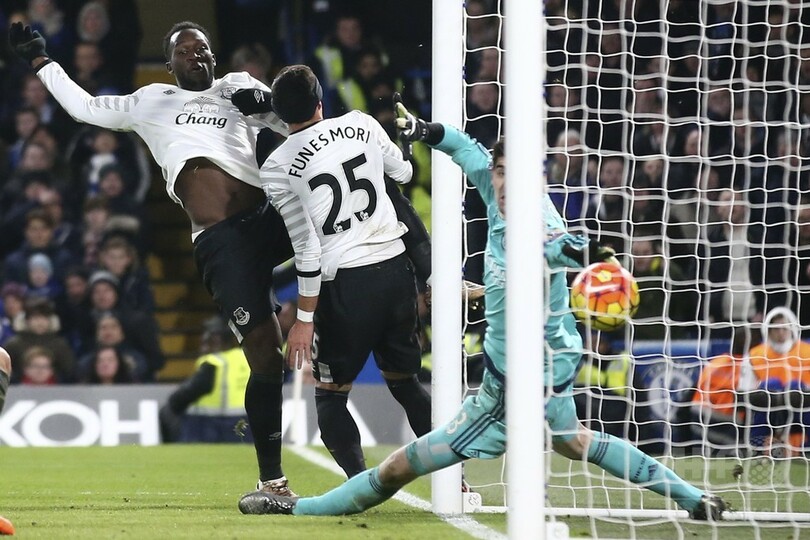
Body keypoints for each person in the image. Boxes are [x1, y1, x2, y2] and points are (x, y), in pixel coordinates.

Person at [238, 105, 728, 520]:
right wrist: (425, 131)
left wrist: (598, 257)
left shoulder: (536, 227)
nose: (505, 183)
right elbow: (464, 148)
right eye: (500, 171)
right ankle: (695, 499)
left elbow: (563, 246)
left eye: (516, 175)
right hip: (536, 372)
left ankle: (295, 508)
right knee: (570, 441)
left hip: (520, 381)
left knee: (404, 466)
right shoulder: (495, 195)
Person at [7, 20, 294, 494]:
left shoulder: (238, 86)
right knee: (265, 355)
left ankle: (396, 279)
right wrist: (42, 62)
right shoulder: (151, 100)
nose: (196, 55)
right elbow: (85, 108)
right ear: (169, 64)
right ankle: (273, 482)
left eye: (202, 48)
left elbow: (300, 123)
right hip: (222, 242)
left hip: (268, 217)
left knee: (332, 206)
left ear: (214, 56)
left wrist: (270, 105)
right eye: (185, 51)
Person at [255, 65, 431, 479]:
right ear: (320, 100)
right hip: (395, 271)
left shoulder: (277, 165)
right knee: (406, 383)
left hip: (345, 285)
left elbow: (306, 249)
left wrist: (303, 319)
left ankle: (359, 485)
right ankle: (454, 482)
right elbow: (405, 174)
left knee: (331, 395)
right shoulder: (362, 123)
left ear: (280, 113)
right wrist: (402, 145)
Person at [159, 316, 253, 443]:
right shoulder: (247, 357)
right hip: (248, 427)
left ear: (216, 340)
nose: (203, 349)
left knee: (166, 412)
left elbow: (178, 399)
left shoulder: (215, 363)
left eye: (206, 342)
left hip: (214, 427)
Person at [746, 307, 810, 456]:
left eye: (784, 328)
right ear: (768, 330)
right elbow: (745, 389)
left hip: (801, 406)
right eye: (776, 328)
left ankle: (805, 447)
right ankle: (759, 447)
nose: (781, 332)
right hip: (768, 406)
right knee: (769, 385)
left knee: (795, 387)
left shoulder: (807, 352)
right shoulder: (755, 355)